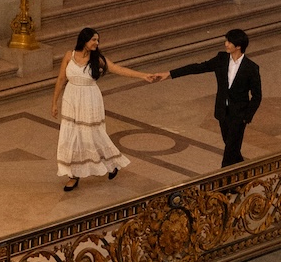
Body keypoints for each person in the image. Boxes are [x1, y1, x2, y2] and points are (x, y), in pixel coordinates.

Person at [52, 26, 161, 191]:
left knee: (93, 135)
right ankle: (73, 175)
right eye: (93, 40)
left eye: (97, 40)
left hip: (89, 99)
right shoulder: (69, 55)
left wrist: (143, 75)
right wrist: (54, 102)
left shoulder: (98, 59)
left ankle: (112, 163)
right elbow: (61, 79)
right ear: (84, 40)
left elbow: (119, 69)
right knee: (71, 136)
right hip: (71, 98)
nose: (97, 43)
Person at [159, 27, 261, 166]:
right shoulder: (221, 59)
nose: (226, 44)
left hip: (239, 115)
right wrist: (170, 74)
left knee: (230, 149)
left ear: (238, 46)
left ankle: (223, 183)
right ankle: (243, 171)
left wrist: (246, 117)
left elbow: (257, 95)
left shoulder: (251, 68)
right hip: (222, 113)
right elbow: (198, 67)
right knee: (232, 148)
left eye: (229, 42)